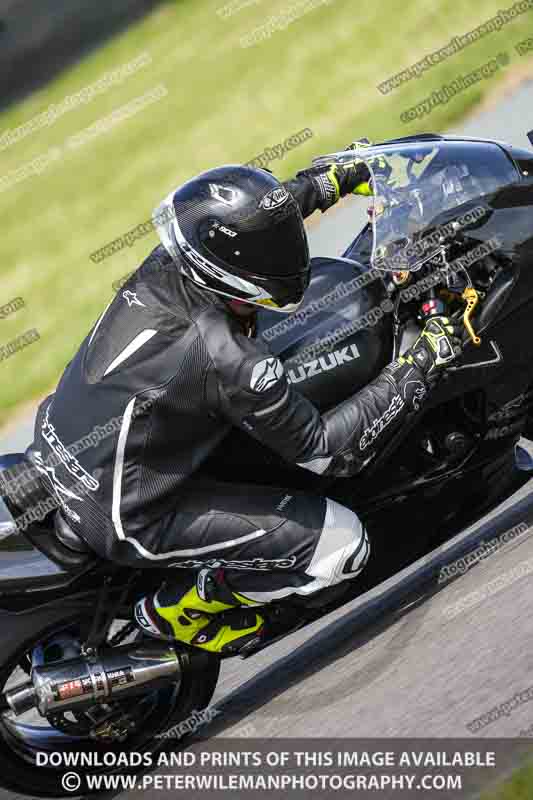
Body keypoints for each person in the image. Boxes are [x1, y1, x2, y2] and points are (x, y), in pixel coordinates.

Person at [30, 154, 464, 655]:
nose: (284, 258)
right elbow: (328, 451)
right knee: (341, 546)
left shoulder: (169, 262)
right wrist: (422, 362)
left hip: (60, 441)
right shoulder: (229, 358)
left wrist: (329, 182)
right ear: (231, 276)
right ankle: (187, 603)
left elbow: (248, 225)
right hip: (131, 517)